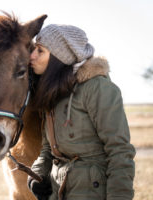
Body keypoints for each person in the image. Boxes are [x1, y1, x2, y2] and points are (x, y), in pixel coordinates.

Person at [27, 24, 136, 200]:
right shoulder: (52, 94)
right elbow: (48, 149)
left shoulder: (98, 89)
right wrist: (37, 176)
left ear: (59, 57)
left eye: (40, 51)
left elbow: (120, 151)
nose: (31, 56)